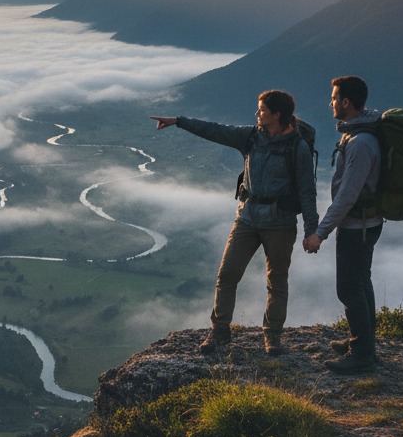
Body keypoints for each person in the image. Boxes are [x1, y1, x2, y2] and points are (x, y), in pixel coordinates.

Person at [151, 90, 318, 356]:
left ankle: (272, 337)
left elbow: (308, 191)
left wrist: (312, 231)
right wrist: (178, 121)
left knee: (277, 281)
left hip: (280, 223)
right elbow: (215, 130)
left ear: (276, 115)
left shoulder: (297, 147)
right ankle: (219, 333)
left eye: (261, 109)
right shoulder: (251, 136)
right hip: (248, 218)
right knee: (227, 274)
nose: (256, 114)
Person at [302, 75, 383, 373]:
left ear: (346, 102)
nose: (331, 102)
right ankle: (363, 341)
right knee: (362, 282)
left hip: (357, 225)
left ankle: (361, 354)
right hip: (365, 222)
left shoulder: (361, 142)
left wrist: (320, 234)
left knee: (348, 289)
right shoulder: (358, 133)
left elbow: (348, 195)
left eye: (334, 98)